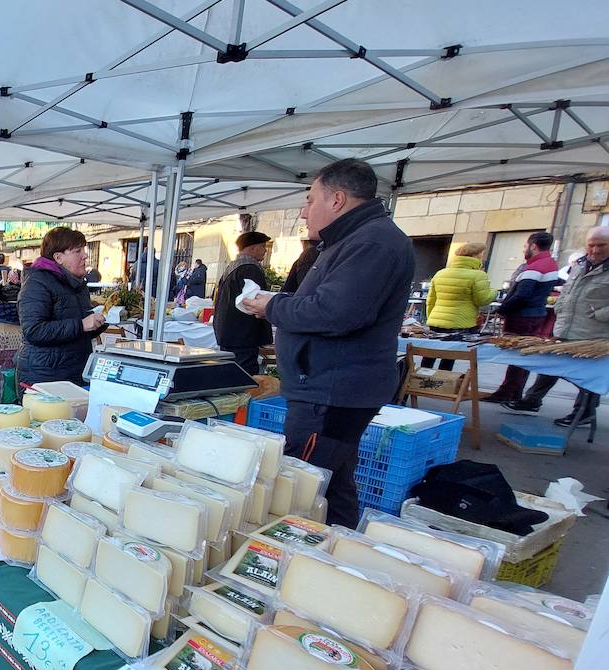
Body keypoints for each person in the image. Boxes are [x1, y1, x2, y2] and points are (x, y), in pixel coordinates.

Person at [241, 158, 414, 529]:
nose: (304, 213)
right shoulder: (350, 241)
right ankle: (339, 550)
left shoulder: (373, 243)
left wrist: (274, 305)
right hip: (324, 387)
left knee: (303, 484)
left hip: (331, 391)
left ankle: (307, 557)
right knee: (332, 482)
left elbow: (336, 313)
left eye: (309, 200)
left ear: (336, 199)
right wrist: (278, 307)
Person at [501, 227, 609, 425]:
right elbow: (568, 290)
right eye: (591, 245)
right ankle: (532, 400)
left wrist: (600, 314)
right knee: (552, 364)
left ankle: (584, 411)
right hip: (566, 326)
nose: (595, 250)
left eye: (601, 245)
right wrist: (560, 307)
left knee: (588, 375)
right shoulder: (580, 264)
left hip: (595, 332)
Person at [16, 227, 107, 387]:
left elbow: (75, 330)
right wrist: (81, 325)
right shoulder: (37, 283)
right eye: (78, 251)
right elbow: (34, 330)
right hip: (45, 377)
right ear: (58, 257)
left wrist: (98, 323)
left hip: (74, 372)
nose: (85, 255)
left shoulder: (77, 284)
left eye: (84, 250)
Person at [484, 232, 564, 404]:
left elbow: (522, 294)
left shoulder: (536, 266)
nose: (524, 249)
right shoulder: (549, 263)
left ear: (533, 245)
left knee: (517, 355)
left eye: (525, 246)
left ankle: (508, 391)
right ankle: (514, 391)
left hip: (524, 316)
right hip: (533, 314)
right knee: (522, 355)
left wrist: (503, 309)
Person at [424, 242, 496, 368]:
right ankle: (442, 383)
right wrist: (494, 292)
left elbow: (430, 301)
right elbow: (483, 300)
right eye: (482, 255)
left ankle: (420, 379)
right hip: (461, 322)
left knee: (430, 354)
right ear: (475, 256)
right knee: (449, 356)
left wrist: (431, 318)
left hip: (437, 321)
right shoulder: (478, 275)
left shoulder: (441, 273)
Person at [212, 231, 274, 375]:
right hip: (243, 334)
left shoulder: (233, 267)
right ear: (253, 248)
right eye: (263, 246)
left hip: (230, 332)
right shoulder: (249, 268)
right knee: (243, 376)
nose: (265, 250)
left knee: (231, 373)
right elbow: (254, 300)